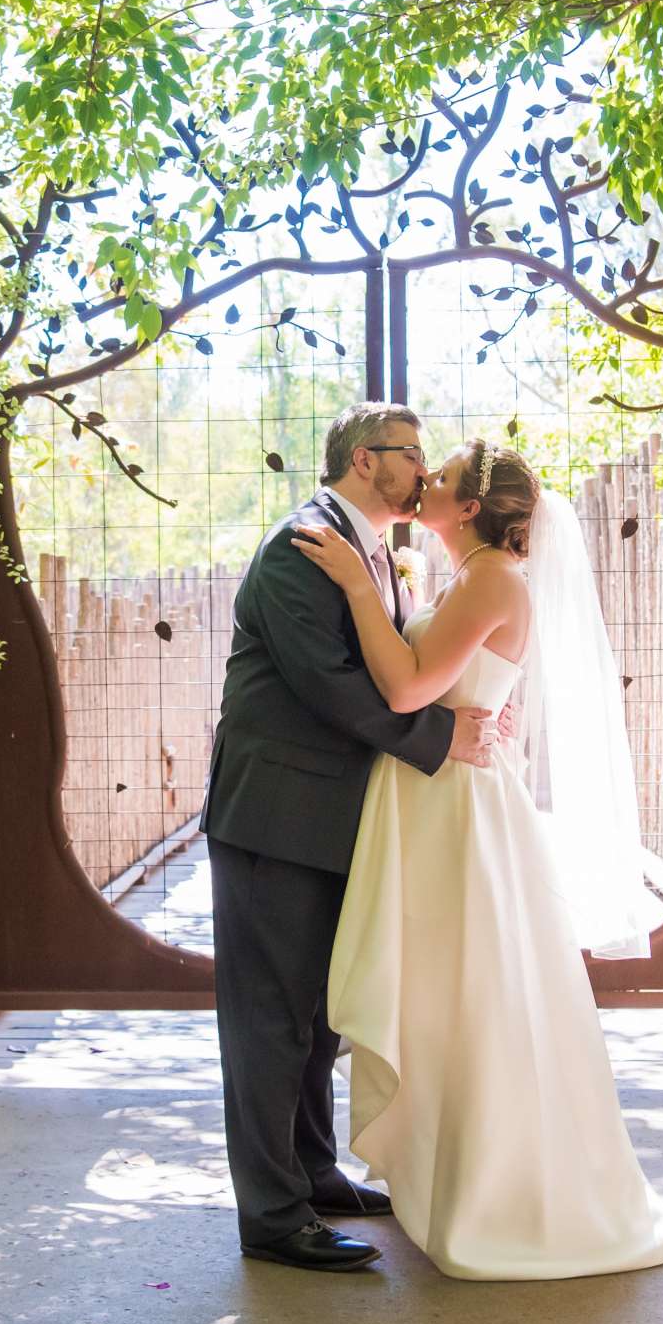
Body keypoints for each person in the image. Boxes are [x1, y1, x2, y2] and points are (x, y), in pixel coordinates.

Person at [291, 437, 663, 1280]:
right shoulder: (469, 576)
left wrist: (358, 590)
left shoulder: (490, 580)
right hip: (438, 795)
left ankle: (494, 1197)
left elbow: (407, 690)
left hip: (460, 814)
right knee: (447, 1001)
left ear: (470, 506)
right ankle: (450, 1182)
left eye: (437, 478)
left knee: (470, 999)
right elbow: (443, 683)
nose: (422, 484)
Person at [201, 402, 499, 1272]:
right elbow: (332, 685)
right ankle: (272, 1216)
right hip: (275, 821)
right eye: (414, 457)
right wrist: (441, 742)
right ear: (369, 461)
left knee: (316, 1020)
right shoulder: (303, 546)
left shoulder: (367, 548)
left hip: (330, 820)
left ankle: (316, 1175)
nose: (424, 471)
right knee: (269, 1021)